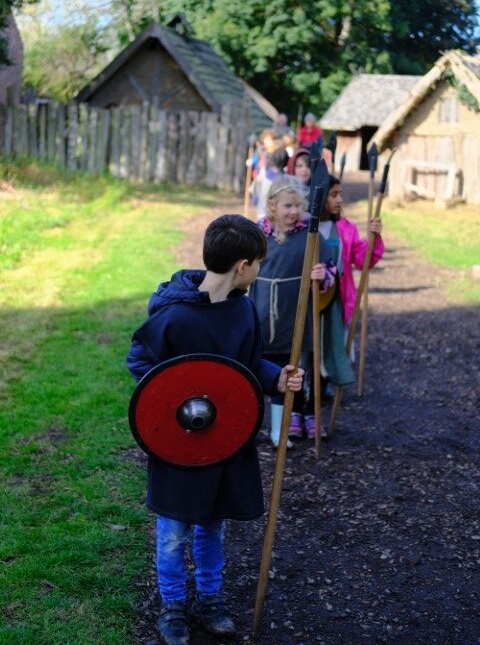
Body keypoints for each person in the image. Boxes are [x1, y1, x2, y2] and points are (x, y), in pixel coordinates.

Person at [126, 214, 304, 645]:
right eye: (258, 263)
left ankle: (209, 599)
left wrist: (277, 378)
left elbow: (248, 365)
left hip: (224, 441)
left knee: (212, 526)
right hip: (179, 444)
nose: (258, 270)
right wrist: (169, 398)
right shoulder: (174, 316)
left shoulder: (242, 311)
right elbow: (141, 361)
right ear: (242, 266)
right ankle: (172, 605)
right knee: (173, 532)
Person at [248, 175, 336, 445]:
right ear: (272, 205)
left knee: (285, 372)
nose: (294, 211)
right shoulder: (258, 234)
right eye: (288, 206)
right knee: (254, 371)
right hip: (261, 313)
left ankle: (279, 431)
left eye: (298, 206)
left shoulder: (310, 234)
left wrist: (322, 274)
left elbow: (330, 268)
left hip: (294, 316)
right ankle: (248, 427)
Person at [318, 175, 384, 396]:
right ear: (320, 197)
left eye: (341, 194)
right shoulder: (306, 227)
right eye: (333, 195)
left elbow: (362, 260)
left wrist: (373, 239)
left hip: (337, 299)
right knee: (312, 344)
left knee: (333, 340)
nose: (340, 200)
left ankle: (325, 383)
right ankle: (307, 389)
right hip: (311, 299)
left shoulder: (346, 229)